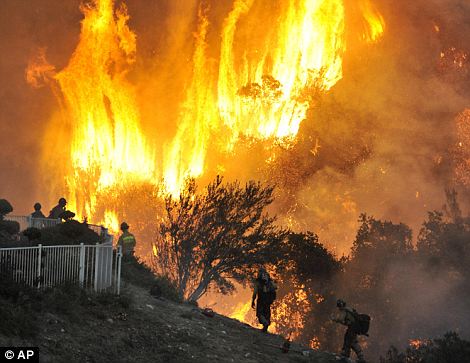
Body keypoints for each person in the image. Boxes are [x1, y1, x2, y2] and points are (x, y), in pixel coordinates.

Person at [331, 299, 366, 363]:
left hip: (352, 329)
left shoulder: (344, 310)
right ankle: (361, 357)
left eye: (339, 305)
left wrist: (334, 319)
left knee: (348, 340)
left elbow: (341, 319)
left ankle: (345, 355)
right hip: (354, 328)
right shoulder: (349, 309)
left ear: (340, 305)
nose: (338, 307)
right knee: (353, 342)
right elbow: (347, 322)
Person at [251, 267, 277, 332]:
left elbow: (255, 292)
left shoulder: (258, 281)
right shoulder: (269, 280)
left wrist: (253, 301)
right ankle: (266, 326)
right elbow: (275, 288)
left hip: (261, 299)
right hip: (268, 299)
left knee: (259, 313)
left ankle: (265, 323)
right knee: (267, 313)